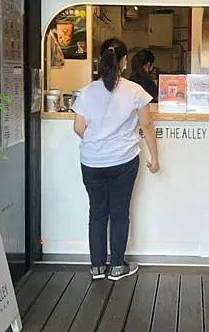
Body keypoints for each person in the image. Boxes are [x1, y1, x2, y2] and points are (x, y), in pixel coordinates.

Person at [72, 38, 160, 281]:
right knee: (119, 213)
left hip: (92, 163)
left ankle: (97, 267)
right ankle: (118, 267)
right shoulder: (135, 91)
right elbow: (147, 125)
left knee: (97, 213)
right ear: (123, 62)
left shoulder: (86, 92)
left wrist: (97, 141)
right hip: (123, 161)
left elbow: (78, 128)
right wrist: (155, 157)